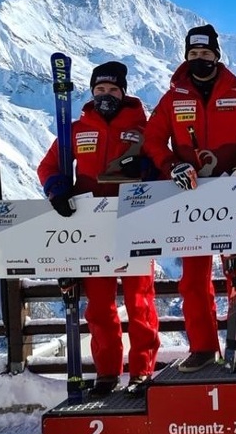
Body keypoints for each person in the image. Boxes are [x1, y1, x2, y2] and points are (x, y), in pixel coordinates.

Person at [142, 24, 236, 372]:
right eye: (193, 55)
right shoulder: (173, 98)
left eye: (205, 54)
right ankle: (203, 347)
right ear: (186, 57)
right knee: (192, 277)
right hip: (191, 196)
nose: (199, 60)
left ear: (216, 56)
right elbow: (153, 140)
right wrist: (171, 165)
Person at [37, 61, 160, 396]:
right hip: (90, 226)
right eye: (100, 90)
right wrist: (56, 187)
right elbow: (48, 165)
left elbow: (162, 161)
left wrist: (147, 166)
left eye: (113, 90)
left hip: (134, 221)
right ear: (92, 93)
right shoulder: (76, 130)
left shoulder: (142, 126)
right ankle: (107, 371)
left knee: (140, 302)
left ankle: (142, 370)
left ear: (124, 92)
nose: (106, 96)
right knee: (99, 305)